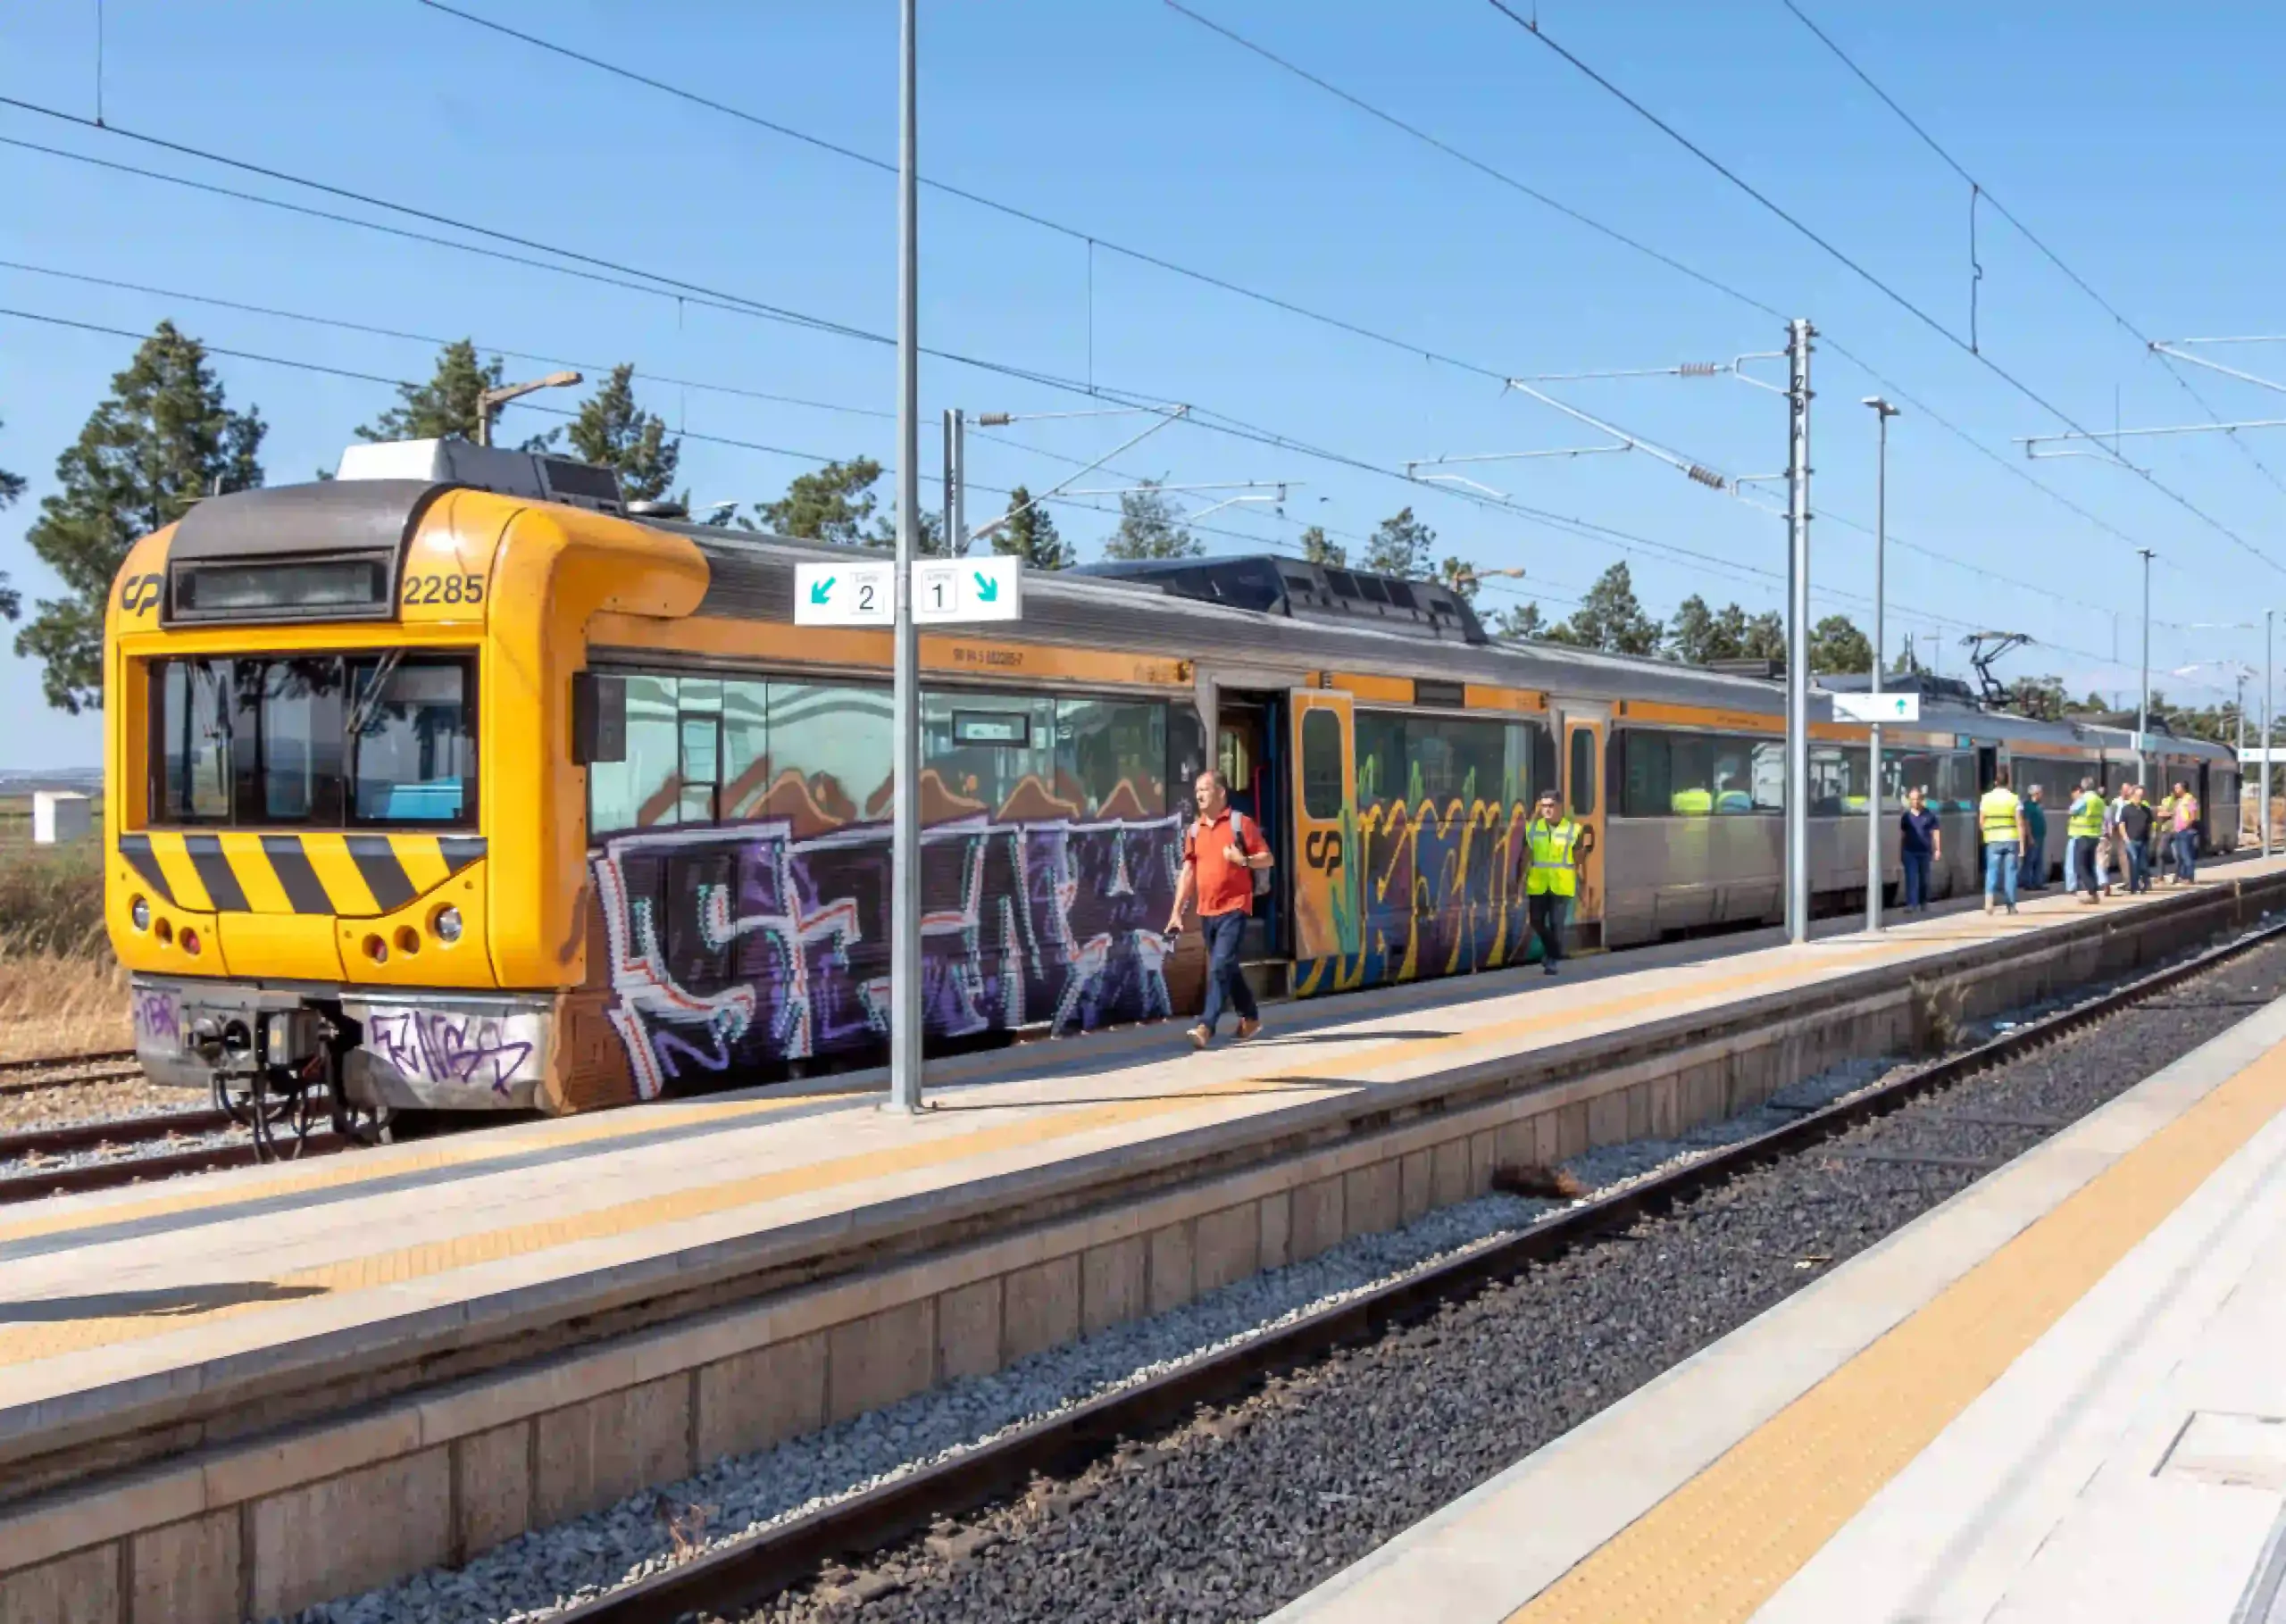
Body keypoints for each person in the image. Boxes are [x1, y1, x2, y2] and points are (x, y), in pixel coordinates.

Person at [1166, 768, 1272, 1049]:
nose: (1199, 794)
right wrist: (1176, 912)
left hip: (1235, 906)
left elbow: (1267, 858)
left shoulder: (1240, 824)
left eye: (1205, 789)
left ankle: (1206, 1025)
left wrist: (1243, 860)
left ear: (1221, 792)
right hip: (1206, 910)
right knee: (1227, 966)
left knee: (1218, 967)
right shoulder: (1194, 830)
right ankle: (1250, 1018)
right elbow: (1188, 871)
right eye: (1197, 790)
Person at [1525, 790, 1586, 974]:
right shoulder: (1533, 829)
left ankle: (1551, 960)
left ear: (1560, 807)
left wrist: (1581, 883)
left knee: (1556, 924)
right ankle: (1554, 951)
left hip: (1561, 884)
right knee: (1535, 921)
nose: (1547, 810)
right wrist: (1519, 879)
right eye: (1544, 806)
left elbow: (1579, 860)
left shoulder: (1573, 830)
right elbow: (1525, 855)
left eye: (1551, 806)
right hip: (1538, 884)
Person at [1980, 768, 2028, 915]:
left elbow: (1981, 821)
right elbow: (2020, 822)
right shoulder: (2014, 798)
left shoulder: (1986, 798)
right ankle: (2011, 905)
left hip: (1993, 840)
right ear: (2008, 782)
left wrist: (1987, 833)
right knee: (2011, 873)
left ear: (1995, 782)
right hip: (2010, 839)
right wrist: (2022, 845)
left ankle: (1989, 900)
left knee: (1992, 871)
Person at [1898, 786, 1941, 912]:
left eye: (1917, 799)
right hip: (1909, 851)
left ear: (1921, 799)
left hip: (1924, 852)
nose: (1914, 802)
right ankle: (1912, 904)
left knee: (1923, 879)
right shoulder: (1906, 817)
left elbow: (1935, 832)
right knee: (1911, 878)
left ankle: (1923, 902)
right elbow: (1902, 835)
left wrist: (1938, 849)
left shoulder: (1929, 815)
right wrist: (1900, 851)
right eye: (1912, 799)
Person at [2065, 777, 2105, 906]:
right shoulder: (2099, 800)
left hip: (2083, 836)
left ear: (2083, 787)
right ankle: (2094, 894)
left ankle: (2092, 891)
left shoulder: (2084, 799)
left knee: (2079, 866)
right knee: (2089, 865)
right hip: (2095, 836)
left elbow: (2071, 810)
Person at [2119, 783, 2156, 894]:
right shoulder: (2126, 809)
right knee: (2134, 862)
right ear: (2133, 795)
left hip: (2144, 840)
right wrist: (2125, 838)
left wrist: (2152, 835)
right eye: (2138, 795)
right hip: (2131, 840)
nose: (2140, 797)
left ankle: (2146, 883)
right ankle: (2134, 887)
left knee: (2143, 864)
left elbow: (2151, 823)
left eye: (2142, 795)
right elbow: (2122, 825)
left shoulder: (2146, 809)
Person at [2173, 780, 2201, 884]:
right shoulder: (2181, 800)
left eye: (2177, 788)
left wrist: (2186, 826)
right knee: (2180, 855)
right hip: (2179, 831)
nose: (2175, 790)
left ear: (2183, 789)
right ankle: (2183, 876)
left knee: (2186, 855)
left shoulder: (2190, 799)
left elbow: (2193, 816)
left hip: (2186, 832)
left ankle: (2189, 877)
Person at [2021, 785, 2048, 890]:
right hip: (2033, 836)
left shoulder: (2038, 805)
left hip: (2040, 836)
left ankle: (2038, 882)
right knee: (2030, 860)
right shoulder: (2028, 806)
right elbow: (2026, 822)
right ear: (2035, 794)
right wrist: (2030, 837)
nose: (2042, 795)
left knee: (2039, 860)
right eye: (2040, 792)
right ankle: (2027, 882)